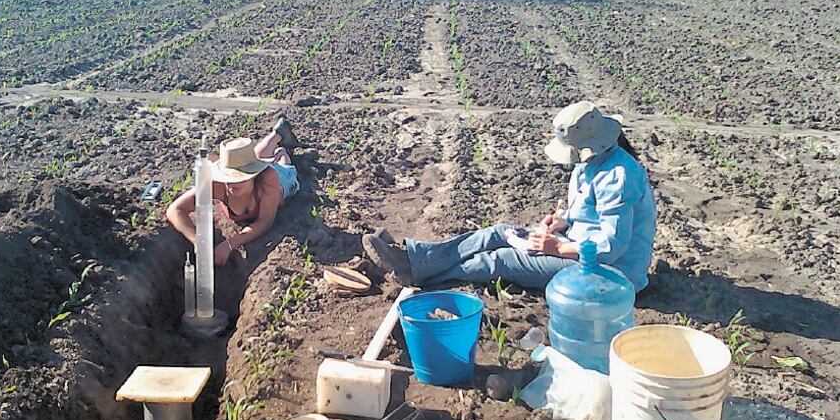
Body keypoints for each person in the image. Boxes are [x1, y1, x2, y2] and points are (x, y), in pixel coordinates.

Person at [363, 101, 657, 292]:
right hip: (576, 244)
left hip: (608, 273)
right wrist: (561, 221)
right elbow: (586, 213)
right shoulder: (592, 161)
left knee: (499, 260)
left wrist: (558, 248)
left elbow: (612, 246)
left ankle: (420, 277)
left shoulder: (619, 176)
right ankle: (415, 258)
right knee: (499, 232)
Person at [166, 119, 299, 266]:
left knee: (284, 165)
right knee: (252, 157)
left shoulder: (269, 180)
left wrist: (229, 244)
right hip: (255, 165)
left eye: (240, 177)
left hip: (282, 182)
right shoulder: (216, 185)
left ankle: (281, 151)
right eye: (229, 177)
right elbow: (175, 209)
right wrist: (197, 240)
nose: (233, 183)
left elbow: (264, 222)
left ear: (253, 176)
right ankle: (277, 134)